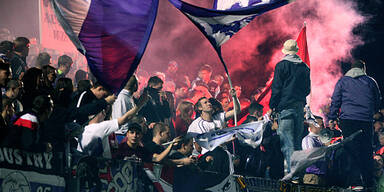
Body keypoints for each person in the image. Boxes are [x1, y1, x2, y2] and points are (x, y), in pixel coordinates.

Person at [328, 60, 381, 189]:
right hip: (365, 121)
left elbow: (335, 100)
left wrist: (332, 117)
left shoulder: (343, 81)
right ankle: (368, 183)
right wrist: (373, 111)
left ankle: (354, 182)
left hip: (348, 121)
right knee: (366, 150)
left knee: (350, 150)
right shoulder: (370, 81)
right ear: (363, 69)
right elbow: (377, 99)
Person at [269, 39, 311, 173]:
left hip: (285, 108)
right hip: (299, 109)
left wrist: (273, 106)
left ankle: (292, 175)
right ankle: (298, 174)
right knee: (297, 143)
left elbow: (276, 88)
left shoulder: (281, 66)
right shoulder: (305, 67)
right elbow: (307, 90)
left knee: (287, 143)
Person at [77, 92, 149, 158]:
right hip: (98, 168)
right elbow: (126, 118)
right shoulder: (99, 128)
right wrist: (139, 105)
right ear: (102, 112)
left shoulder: (84, 128)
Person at [301, 120, 327, 186]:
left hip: (322, 175)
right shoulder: (308, 139)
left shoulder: (320, 140)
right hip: (312, 176)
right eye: (321, 125)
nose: (323, 127)